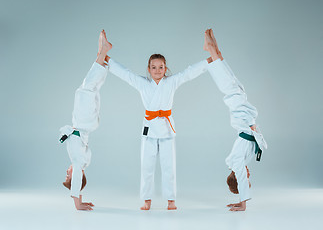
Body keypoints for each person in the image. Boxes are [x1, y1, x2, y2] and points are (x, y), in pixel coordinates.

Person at [101, 31, 214, 210]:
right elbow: (126, 74)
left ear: (165, 68)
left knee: (169, 166)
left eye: (161, 67)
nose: (157, 71)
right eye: (153, 67)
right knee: (147, 166)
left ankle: (171, 199)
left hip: (167, 130)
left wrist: (208, 62)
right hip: (149, 130)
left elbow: (188, 73)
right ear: (148, 69)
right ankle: (147, 199)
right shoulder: (143, 84)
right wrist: (106, 60)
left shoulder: (171, 82)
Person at [204, 29, 267, 211]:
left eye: (246, 178)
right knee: (235, 85)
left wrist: (243, 203)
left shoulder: (237, 162)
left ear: (239, 177)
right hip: (245, 114)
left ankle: (211, 51)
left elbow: (241, 177)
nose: (248, 175)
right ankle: (216, 52)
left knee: (230, 87)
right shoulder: (242, 160)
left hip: (242, 116)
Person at [59, 30, 112, 210]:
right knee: (86, 89)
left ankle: (101, 56)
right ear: (78, 175)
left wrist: (81, 196)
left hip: (86, 123)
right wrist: (78, 203)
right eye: (68, 176)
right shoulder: (79, 161)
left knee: (92, 89)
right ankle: (103, 53)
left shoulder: (81, 161)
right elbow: (76, 181)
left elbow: (78, 180)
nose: (67, 172)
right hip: (84, 122)